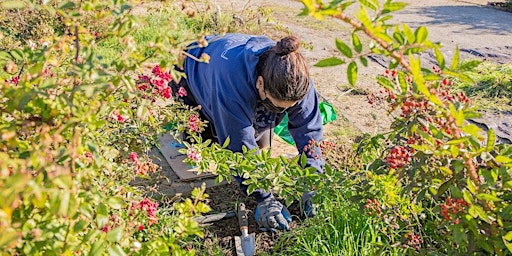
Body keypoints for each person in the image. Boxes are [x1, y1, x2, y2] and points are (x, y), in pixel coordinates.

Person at [174, 33, 324, 232]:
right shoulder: (231, 81)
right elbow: (239, 146)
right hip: (195, 66)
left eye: (286, 109)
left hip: (239, 73)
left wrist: (312, 179)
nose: (281, 112)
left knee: (261, 139)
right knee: (203, 143)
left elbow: (309, 130)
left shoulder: (298, 80)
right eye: (276, 106)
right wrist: (264, 198)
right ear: (260, 83)